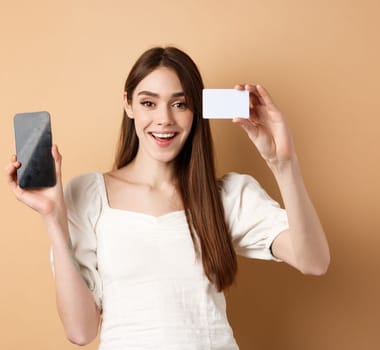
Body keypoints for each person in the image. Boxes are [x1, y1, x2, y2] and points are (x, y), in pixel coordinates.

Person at [5, 46, 330, 349]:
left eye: (180, 103)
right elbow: (81, 331)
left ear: (196, 111)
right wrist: (53, 218)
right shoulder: (89, 195)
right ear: (128, 104)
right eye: (149, 103)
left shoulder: (227, 196)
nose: (164, 119)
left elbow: (313, 261)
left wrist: (283, 164)